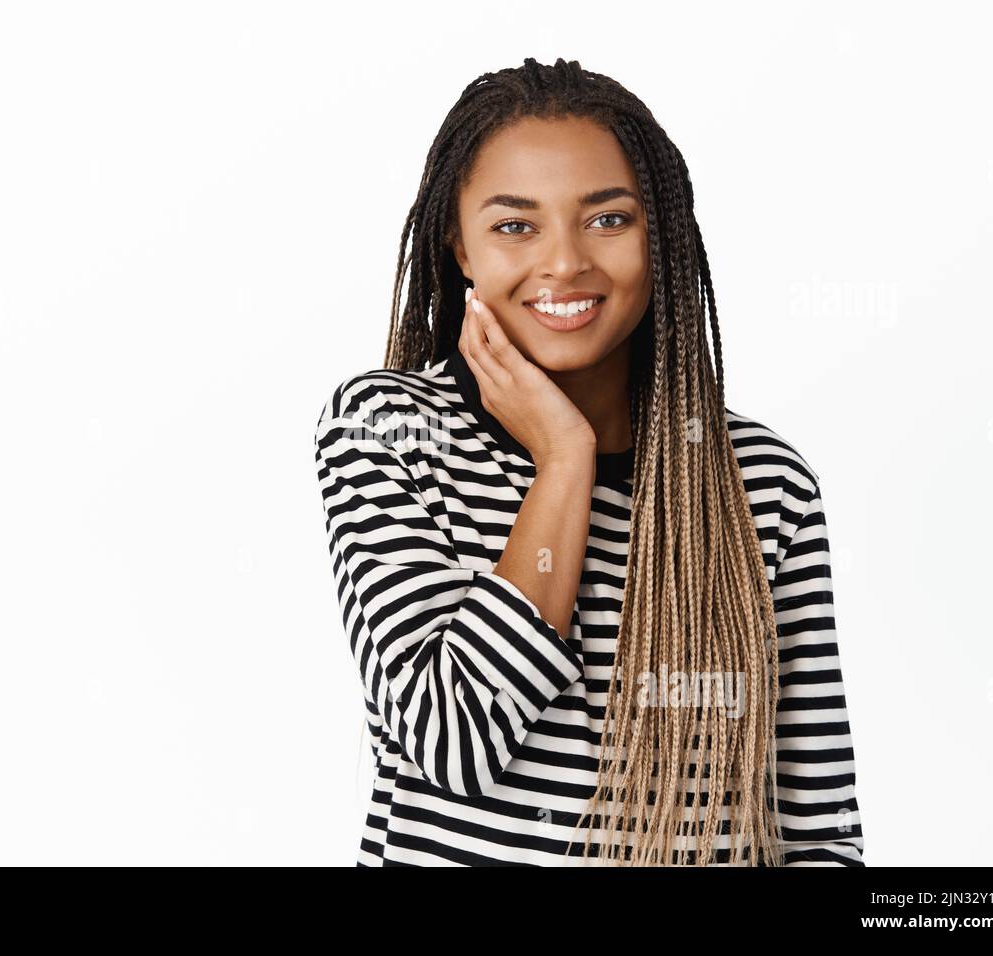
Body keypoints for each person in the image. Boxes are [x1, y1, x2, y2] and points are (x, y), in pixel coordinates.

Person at [313, 57, 864, 866]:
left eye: (608, 219)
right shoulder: (387, 431)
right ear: (457, 245)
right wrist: (563, 461)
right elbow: (457, 739)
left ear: (661, 234)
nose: (565, 262)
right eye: (514, 225)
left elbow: (818, 833)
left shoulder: (764, 481)